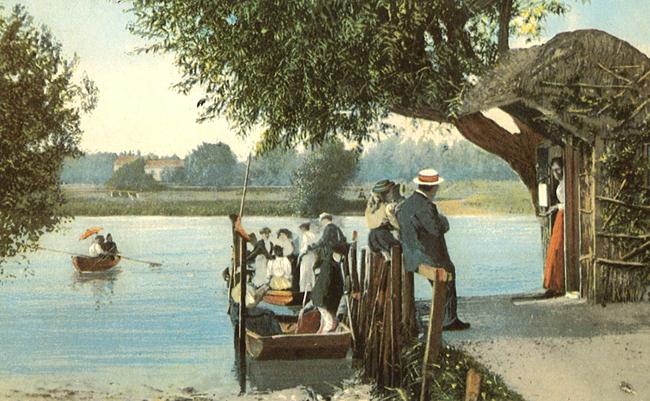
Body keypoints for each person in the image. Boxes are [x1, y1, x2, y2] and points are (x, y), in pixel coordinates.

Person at [397, 168, 470, 331]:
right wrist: (444, 221)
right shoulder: (426, 206)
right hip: (424, 257)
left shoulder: (406, 204)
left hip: (410, 255)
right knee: (448, 269)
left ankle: (447, 318)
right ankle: (448, 320)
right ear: (433, 187)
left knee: (447, 268)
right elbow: (436, 229)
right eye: (436, 186)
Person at [310, 241, 348, 333]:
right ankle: (322, 341)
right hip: (323, 300)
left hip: (325, 301)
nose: (342, 258)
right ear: (335, 254)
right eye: (341, 255)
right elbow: (325, 285)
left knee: (325, 323)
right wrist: (325, 304)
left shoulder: (333, 263)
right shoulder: (329, 266)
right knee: (330, 323)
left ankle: (318, 338)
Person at [543, 157, 566, 297]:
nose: (556, 173)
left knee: (559, 248)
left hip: (564, 216)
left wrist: (556, 207)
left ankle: (559, 284)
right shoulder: (560, 183)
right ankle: (554, 284)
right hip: (560, 217)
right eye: (553, 171)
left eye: (558, 169)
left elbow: (569, 201)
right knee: (555, 248)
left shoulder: (567, 183)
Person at [365, 179, 402, 259]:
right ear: (386, 194)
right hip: (383, 236)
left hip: (372, 237)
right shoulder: (387, 207)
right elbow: (395, 224)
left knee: (383, 258)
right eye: (391, 192)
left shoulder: (372, 207)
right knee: (399, 250)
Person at [298, 222, 317, 292]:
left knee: (304, 275)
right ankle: (312, 291)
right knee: (311, 274)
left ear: (303, 228)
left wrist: (300, 256)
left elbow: (305, 248)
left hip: (306, 257)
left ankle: (303, 291)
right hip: (312, 256)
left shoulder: (305, 235)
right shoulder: (313, 235)